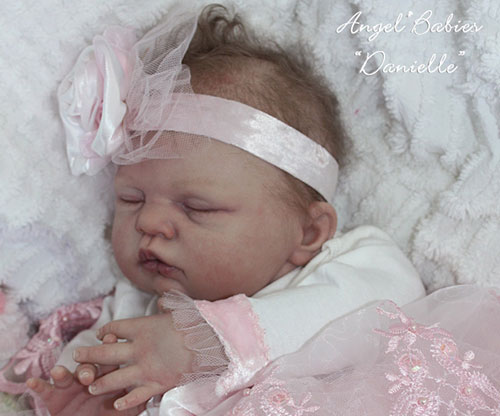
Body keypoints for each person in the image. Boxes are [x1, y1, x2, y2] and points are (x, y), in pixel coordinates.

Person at [24, 4, 425, 415]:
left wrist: (211, 342)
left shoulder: (347, 269)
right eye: (131, 199)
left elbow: (391, 304)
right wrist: (91, 397)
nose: (148, 221)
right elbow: (91, 365)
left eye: (196, 207)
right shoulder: (133, 307)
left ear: (307, 232)